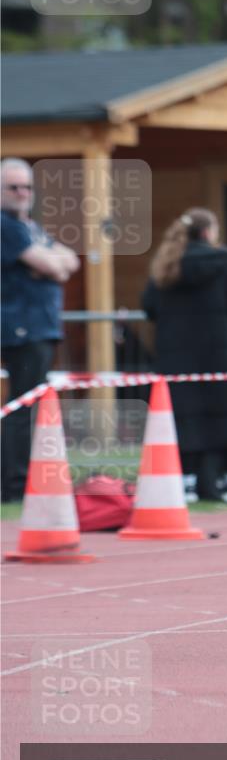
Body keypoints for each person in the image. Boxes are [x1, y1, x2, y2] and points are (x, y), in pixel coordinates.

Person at [142, 208, 227, 502]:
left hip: (176, 357)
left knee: (185, 420)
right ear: (208, 233)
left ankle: (187, 484)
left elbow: (149, 307)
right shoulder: (225, 264)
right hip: (221, 356)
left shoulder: (166, 266)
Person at [1, 157, 80, 502]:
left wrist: (50, 265)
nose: (22, 193)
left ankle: (22, 479)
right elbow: (52, 263)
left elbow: (68, 263)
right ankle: (14, 486)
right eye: (13, 187)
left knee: (30, 407)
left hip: (39, 327)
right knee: (22, 407)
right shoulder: (7, 226)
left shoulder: (29, 226)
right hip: (21, 328)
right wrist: (49, 264)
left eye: (27, 187)